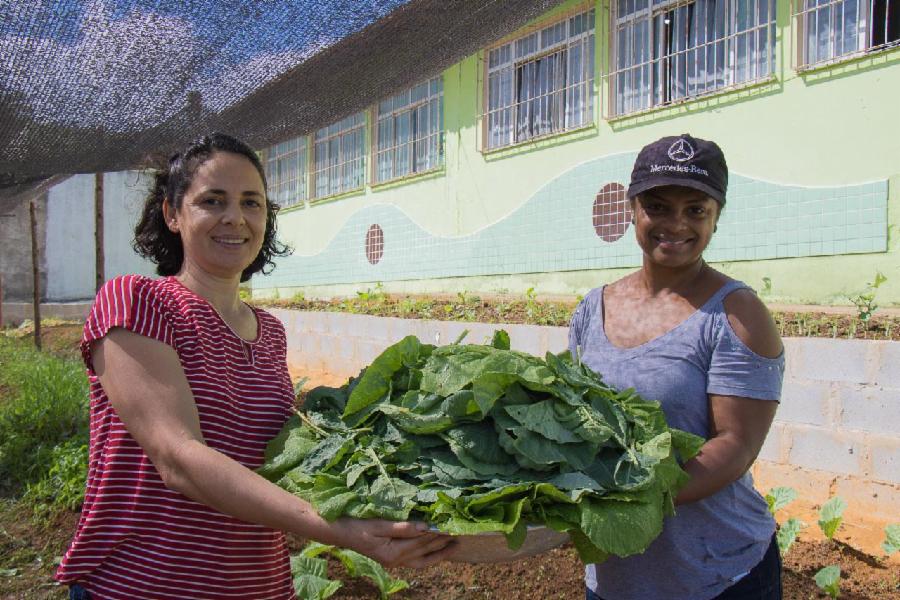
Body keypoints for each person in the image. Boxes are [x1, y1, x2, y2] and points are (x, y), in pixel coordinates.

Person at [56, 133, 454, 599]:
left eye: (252, 203)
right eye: (213, 200)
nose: (235, 218)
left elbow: (277, 459)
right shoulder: (137, 301)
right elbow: (178, 459)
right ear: (172, 213)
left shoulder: (269, 332)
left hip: (258, 586)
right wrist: (339, 529)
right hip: (144, 585)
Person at [569, 134, 785, 600]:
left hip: (718, 575)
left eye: (695, 210)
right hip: (615, 577)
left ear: (715, 218)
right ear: (631, 209)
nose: (676, 224)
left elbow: (736, 444)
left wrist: (629, 496)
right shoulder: (592, 309)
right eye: (658, 206)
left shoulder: (736, 314)